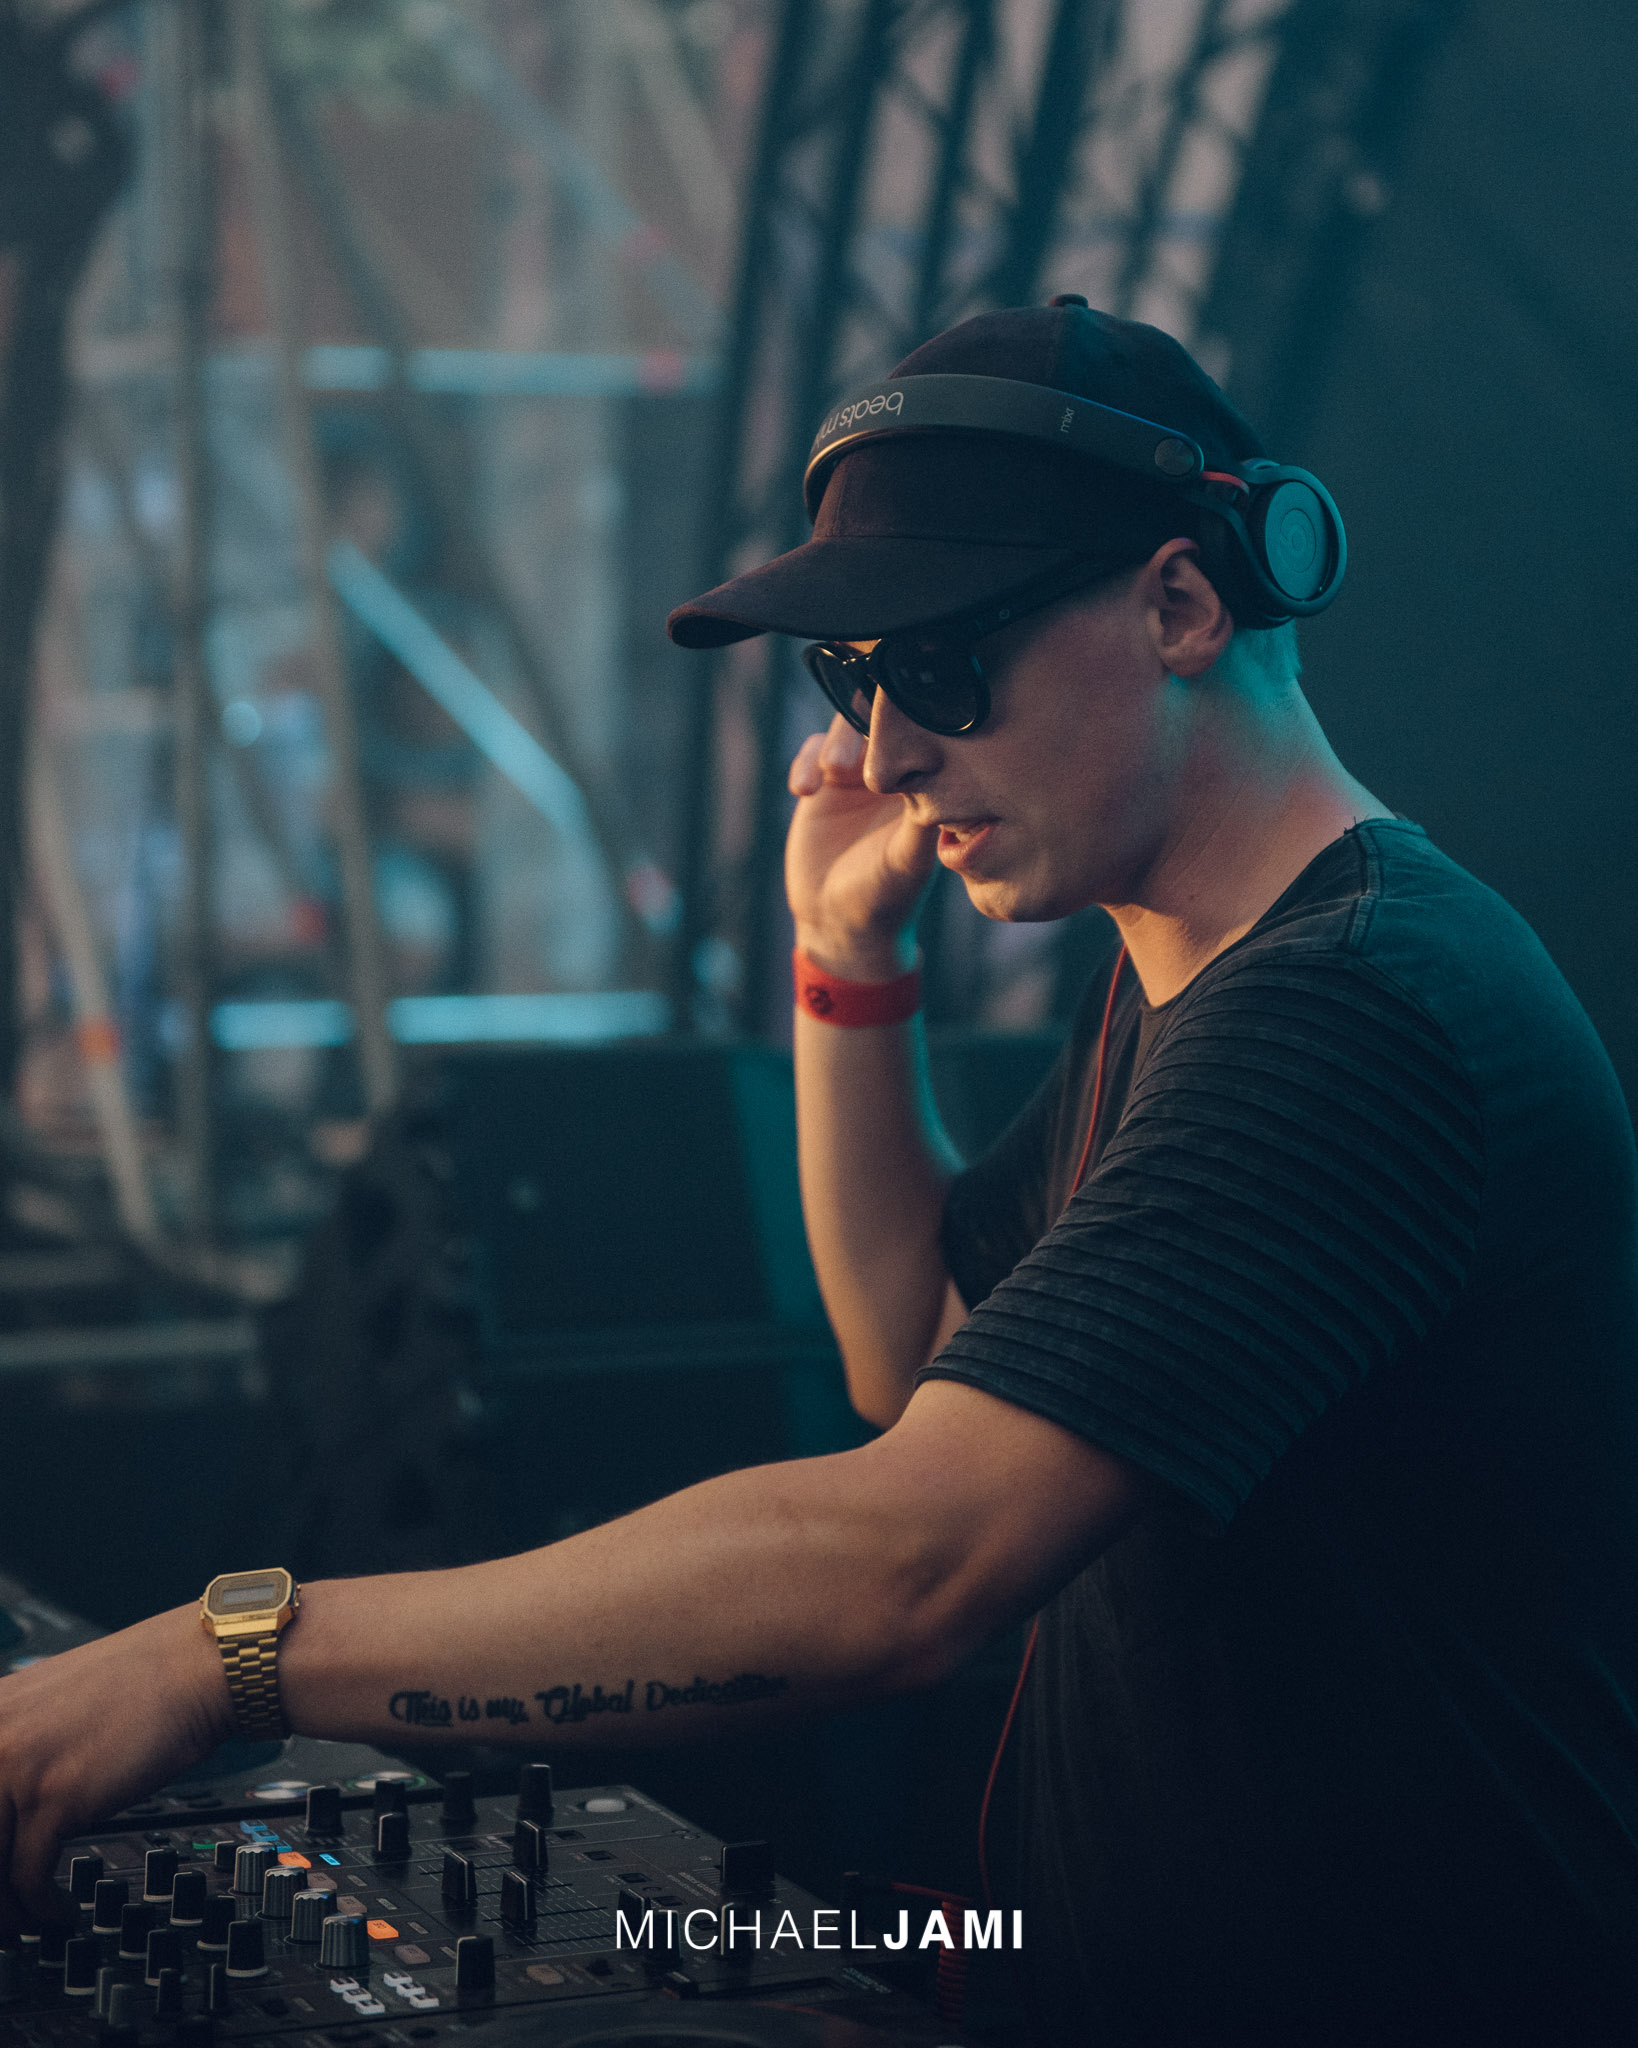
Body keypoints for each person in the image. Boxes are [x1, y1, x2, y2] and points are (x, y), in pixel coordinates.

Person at [1, 303, 1635, 2048]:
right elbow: (910, 1349)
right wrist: (845, 964)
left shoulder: (1353, 1014)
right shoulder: (1192, 976)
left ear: (1180, 605)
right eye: (848, 682)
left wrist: (227, 1656)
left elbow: (900, 1565)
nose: (878, 756)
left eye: (937, 665)